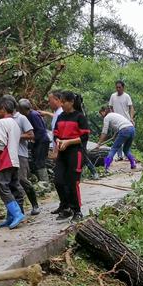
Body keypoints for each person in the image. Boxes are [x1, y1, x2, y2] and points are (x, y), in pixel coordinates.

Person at [0, 97, 26, 229]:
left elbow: (0, 142)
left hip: (5, 160)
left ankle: (16, 214)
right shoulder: (14, 123)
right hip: (14, 160)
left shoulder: (1, 123)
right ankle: (10, 217)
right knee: (13, 187)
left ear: (3, 108)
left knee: (3, 188)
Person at [52, 91, 90, 223]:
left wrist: (68, 142)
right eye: (61, 102)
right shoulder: (61, 116)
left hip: (75, 152)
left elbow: (85, 136)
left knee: (72, 182)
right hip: (62, 152)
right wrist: (58, 141)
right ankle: (65, 207)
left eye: (64, 102)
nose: (61, 105)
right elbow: (56, 133)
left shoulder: (79, 117)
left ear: (71, 102)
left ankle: (77, 210)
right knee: (58, 180)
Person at [7, 96, 40, 216]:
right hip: (8, 154)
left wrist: (16, 136)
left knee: (22, 180)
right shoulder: (5, 119)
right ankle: (17, 211)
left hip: (20, 154)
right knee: (11, 182)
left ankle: (35, 204)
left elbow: (31, 135)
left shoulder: (21, 118)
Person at [18, 98, 50, 184]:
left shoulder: (33, 115)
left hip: (42, 141)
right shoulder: (30, 115)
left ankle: (45, 183)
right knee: (36, 161)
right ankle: (42, 182)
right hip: (39, 141)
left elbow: (40, 130)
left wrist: (33, 140)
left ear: (23, 109)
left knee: (40, 161)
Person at [98, 106, 137, 171]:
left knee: (113, 149)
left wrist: (99, 143)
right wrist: (114, 135)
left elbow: (104, 132)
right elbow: (119, 125)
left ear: (104, 111)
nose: (101, 115)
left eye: (101, 113)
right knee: (126, 150)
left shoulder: (107, 117)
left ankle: (106, 167)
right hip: (132, 129)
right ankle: (133, 164)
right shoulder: (114, 114)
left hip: (125, 130)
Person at [108, 81, 135, 161]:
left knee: (127, 140)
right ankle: (120, 156)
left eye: (120, 87)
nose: (118, 89)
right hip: (117, 121)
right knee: (117, 139)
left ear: (123, 87)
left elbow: (131, 107)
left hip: (126, 121)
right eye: (117, 87)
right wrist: (113, 115)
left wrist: (131, 118)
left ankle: (128, 156)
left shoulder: (126, 96)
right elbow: (110, 106)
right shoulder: (113, 96)